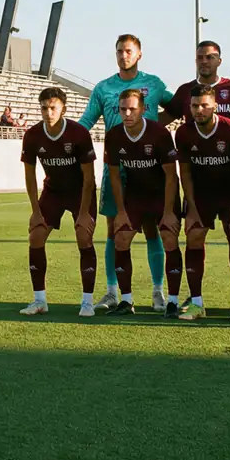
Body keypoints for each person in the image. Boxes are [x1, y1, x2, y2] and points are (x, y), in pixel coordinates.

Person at [77, 33, 176, 311]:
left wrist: (156, 127)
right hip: (116, 168)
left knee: (153, 228)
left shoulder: (153, 84)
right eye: (120, 51)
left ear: (139, 54)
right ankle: (111, 291)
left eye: (129, 51)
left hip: (150, 169)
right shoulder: (103, 87)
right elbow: (87, 120)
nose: (124, 55)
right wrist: (68, 139)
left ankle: (158, 291)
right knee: (114, 229)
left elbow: (176, 106)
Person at [19, 87, 100, 317]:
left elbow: (89, 178)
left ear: (63, 108)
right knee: (35, 236)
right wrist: (35, 211)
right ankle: (39, 300)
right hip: (53, 191)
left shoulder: (78, 133)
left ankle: (87, 302)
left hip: (79, 193)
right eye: (44, 108)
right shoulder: (33, 135)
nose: (48, 112)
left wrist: (84, 212)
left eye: (53, 107)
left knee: (83, 236)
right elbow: (29, 176)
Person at [172, 84, 230, 321]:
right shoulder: (183, 133)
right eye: (195, 106)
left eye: (204, 105)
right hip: (201, 195)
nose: (199, 110)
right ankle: (196, 304)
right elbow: (184, 172)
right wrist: (191, 208)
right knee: (193, 235)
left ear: (215, 105)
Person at [100, 89, 180, 316]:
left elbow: (171, 176)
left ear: (143, 109)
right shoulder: (114, 135)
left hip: (161, 194)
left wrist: (168, 212)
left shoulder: (159, 134)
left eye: (132, 109)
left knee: (169, 237)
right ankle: (126, 301)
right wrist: (121, 211)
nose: (127, 113)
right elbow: (114, 176)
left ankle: (171, 301)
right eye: (123, 109)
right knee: (121, 237)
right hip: (135, 195)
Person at [166, 40, 230, 130]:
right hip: (195, 146)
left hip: (226, 146)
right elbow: (167, 116)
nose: (204, 61)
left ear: (219, 61)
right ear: (196, 61)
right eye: (200, 57)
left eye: (209, 57)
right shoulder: (185, 90)